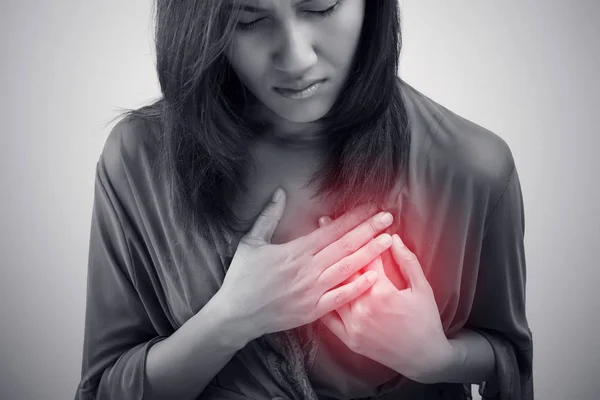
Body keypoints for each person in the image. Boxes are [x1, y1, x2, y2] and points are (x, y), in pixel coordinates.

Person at [74, 0, 534, 399]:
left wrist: (436, 360)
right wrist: (228, 320)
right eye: (249, 20)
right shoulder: (140, 158)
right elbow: (104, 387)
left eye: (320, 8)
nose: (295, 58)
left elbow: (508, 360)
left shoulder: (470, 165)